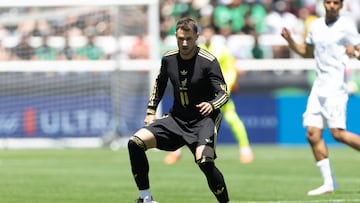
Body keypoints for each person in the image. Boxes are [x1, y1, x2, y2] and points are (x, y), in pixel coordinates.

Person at [127, 17, 230, 203]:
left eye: (188, 39)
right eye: (180, 38)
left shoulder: (208, 61)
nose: (184, 43)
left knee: (205, 162)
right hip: (177, 119)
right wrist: (151, 111)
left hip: (203, 120)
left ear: (196, 37)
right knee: (135, 143)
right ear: (175, 36)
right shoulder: (168, 59)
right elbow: (159, 84)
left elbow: (224, 92)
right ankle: (145, 198)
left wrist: (212, 104)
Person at [281, 0, 360, 196]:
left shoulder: (346, 26)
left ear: (341, 6)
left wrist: (355, 53)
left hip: (336, 87)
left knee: (338, 134)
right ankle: (329, 182)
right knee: (312, 134)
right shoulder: (315, 25)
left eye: (336, 3)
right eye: (328, 2)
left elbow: (358, 51)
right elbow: (306, 53)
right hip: (319, 88)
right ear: (323, 4)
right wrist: (290, 40)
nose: (332, 6)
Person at [164, 25, 253, 165]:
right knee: (186, 120)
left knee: (232, 119)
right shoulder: (198, 51)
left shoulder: (222, 50)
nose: (207, 35)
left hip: (219, 95)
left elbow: (230, 70)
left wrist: (224, 90)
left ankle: (245, 150)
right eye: (205, 33)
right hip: (201, 95)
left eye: (210, 32)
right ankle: (176, 151)